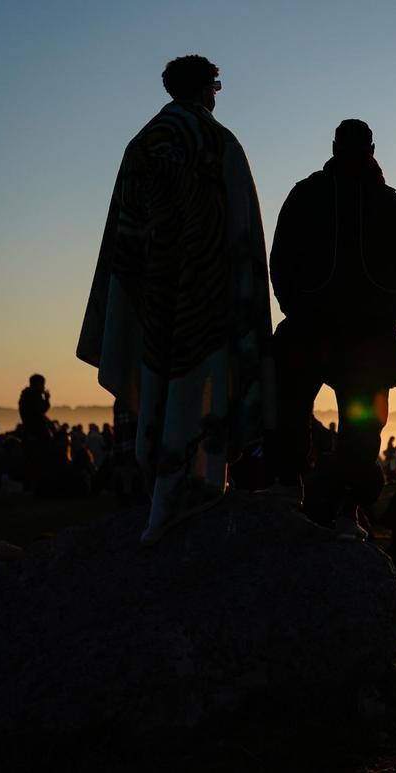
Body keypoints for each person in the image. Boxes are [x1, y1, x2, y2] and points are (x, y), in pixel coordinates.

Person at [77, 56, 274, 545]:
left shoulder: (141, 144)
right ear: (206, 88)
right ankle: (185, 493)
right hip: (203, 291)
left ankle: (161, 494)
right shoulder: (217, 142)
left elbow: (123, 230)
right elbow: (242, 232)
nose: (216, 94)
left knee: (155, 378)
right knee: (196, 379)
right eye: (217, 86)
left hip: (146, 290)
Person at [269, 118, 396, 539]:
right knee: (329, 418)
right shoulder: (387, 204)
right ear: (372, 147)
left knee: (332, 419)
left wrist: (395, 313)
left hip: (345, 332)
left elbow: (280, 258)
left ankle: (327, 502)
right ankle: (319, 501)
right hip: (339, 331)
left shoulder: (312, 195)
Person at [18, 374, 53, 492]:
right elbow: (40, 411)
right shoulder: (34, 395)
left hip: (29, 432)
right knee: (40, 461)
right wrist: (46, 399)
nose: (44, 387)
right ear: (38, 384)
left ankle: (30, 487)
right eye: (43, 384)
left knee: (31, 462)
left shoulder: (24, 395)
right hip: (37, 433)